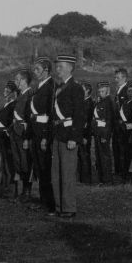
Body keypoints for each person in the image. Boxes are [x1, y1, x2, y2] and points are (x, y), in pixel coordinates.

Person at [51, 54, 85, 218]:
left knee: (68, 173)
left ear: (70, 68)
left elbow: (79, 116)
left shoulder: (76, 88)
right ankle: (59, 207)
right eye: (57, 66)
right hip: (58, 134)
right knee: (56, 173)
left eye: (61, 66)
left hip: (69, 135)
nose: (57, 69)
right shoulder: (58, 88)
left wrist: (74, 138)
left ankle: (69, 207)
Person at [29, 57, 56, 212]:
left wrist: (46, 136)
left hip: (43, 133)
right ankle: (43, 200)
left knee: (45, 169)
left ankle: (50, 203)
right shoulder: (39, 86)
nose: (35, 72)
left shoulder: (51, 87)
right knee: (39, 168)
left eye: (38, 69)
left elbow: (50, 114)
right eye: (34, 69)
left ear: (46, 70)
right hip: (36, 131)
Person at [11, 70, 34, 200]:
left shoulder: (29, 95)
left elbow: (29, 120)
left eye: (17, 80)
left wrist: (26, 137)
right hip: (16, 132)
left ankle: (27, 191)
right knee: (19, 161)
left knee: (25, 162)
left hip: (23, 133)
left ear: (24, 81)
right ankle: (23, 191)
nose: (16, 82)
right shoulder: (20, 95)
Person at [0, 81, 18, 198]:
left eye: (7, 91)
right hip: (2, 137)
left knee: (9, 165)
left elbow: (11, 123)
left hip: (8, 138)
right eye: (5, 90)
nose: (4, 92)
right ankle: (4, 187)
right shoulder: (6, 104)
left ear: (13, 93)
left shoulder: (14, 105)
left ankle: (11, 190)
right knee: (3, 163)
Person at [92, 81, 115, 185]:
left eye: (102, 91)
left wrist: (105, 135)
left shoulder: (109, 102)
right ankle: (101, 178)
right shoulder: (100, 101)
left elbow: (109, 120)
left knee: (104, 157)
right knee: (99, 156)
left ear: (107, 91)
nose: (100, 93)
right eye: (99, 91)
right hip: (98, 132)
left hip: (103, 133)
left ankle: (107, 180)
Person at [113, 68, 132, 184]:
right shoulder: (119, 90)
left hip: (123, 126)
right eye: (115, 77)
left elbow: (128, 110)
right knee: (117, 148)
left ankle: (124, 172)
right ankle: (119, 170)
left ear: (124, 78)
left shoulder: (127, 91)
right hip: (117, 125)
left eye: (118, 78)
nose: (115, 80)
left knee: (123, 149)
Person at [78, 81, 95, 184]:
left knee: (85, 156)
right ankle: (82, 178)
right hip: (80, 133)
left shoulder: (90, 103)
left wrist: (85, 136)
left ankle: (86, 179)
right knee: (81, 155)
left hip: (85, 134)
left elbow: (88, 122)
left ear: (87, 91)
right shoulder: (82, 102)